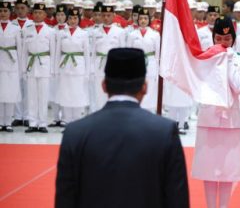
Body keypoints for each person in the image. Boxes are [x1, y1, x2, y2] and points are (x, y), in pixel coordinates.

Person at [55, 47, 189, 208]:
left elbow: (65, 200)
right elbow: (177, 200)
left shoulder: (75, 133)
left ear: (104, 86)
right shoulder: (164, 131)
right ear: (144, 87)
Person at [192, 16, 240, 208]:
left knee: (227, 170)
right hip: (208, 119)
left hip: (230, 121)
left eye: (227, 40)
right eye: (219, 39)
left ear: (233, 39)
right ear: (213, 38)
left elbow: (239, 87)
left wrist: (230, 61)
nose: (223, 43)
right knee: (208, 169)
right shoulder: (205, 59)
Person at [22, 3, 56, 133]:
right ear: (32, 14)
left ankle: (42, 123)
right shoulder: (27, 30)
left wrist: (52, 70)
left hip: (44, 66)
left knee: (43, 95)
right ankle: (32, 122)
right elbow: (24, 52)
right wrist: (24, 69)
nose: (37, 15)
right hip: (31, 65)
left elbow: (53, 51)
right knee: (31, 95)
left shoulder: (50, 31)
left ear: (45, 15)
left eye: (40, 13)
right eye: (35, 12)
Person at [55, 9, 90, 124]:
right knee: (65, 93)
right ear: (67, 19)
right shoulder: (61, 33)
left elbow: (87, 55)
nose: (73, 20)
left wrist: (87, 72)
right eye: (70, 18)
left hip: (79, 67)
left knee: (78, 93)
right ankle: (66, 120)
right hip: (64, 66)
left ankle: (77, 120)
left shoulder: (84, 34)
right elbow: (57, 53)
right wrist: (56, 70)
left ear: (79, 19)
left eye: (75, 18)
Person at [90, 5, 125, 112]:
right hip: (99, 64)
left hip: (114, 64)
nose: (106, 18)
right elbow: (92, 52)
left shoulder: (120, 32)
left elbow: (122, 51)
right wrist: (91, 68)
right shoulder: (95, 32)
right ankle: (99, 113)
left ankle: (113, 114)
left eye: (108, 15)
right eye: (104, 15)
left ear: (113, 16)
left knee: (113, 91)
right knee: (99, 91)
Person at [126, 8, 160, 113]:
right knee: (138, 87)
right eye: (141, 18)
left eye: (145, 18)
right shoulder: (132, 35)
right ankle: (137, 109)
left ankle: (150, 111)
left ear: (149, 20)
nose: (143, 21)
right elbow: (129, 53)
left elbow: (158, 54)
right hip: (136, 63)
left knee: (150, 88)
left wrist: (158, 70)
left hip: (151, 63)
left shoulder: (155, 35)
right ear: (138, 20)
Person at [0, 1, 22, 132]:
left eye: (5, 11)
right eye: (1, 11)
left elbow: (20, 49)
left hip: (12, 64)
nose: (3, 13)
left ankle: (7, 121)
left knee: (10, 94)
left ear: (10, 13)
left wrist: (20, 68)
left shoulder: (15, 28)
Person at [12, 0, 33, 127]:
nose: (20, 11)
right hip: (14, 60)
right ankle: (18, 116)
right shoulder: (11, 24)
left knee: (28, 89)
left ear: (28, 9)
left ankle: (27, 116)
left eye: (23, 8)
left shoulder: (31, 24)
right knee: (16, 88)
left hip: (28, 59)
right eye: (18, 8)